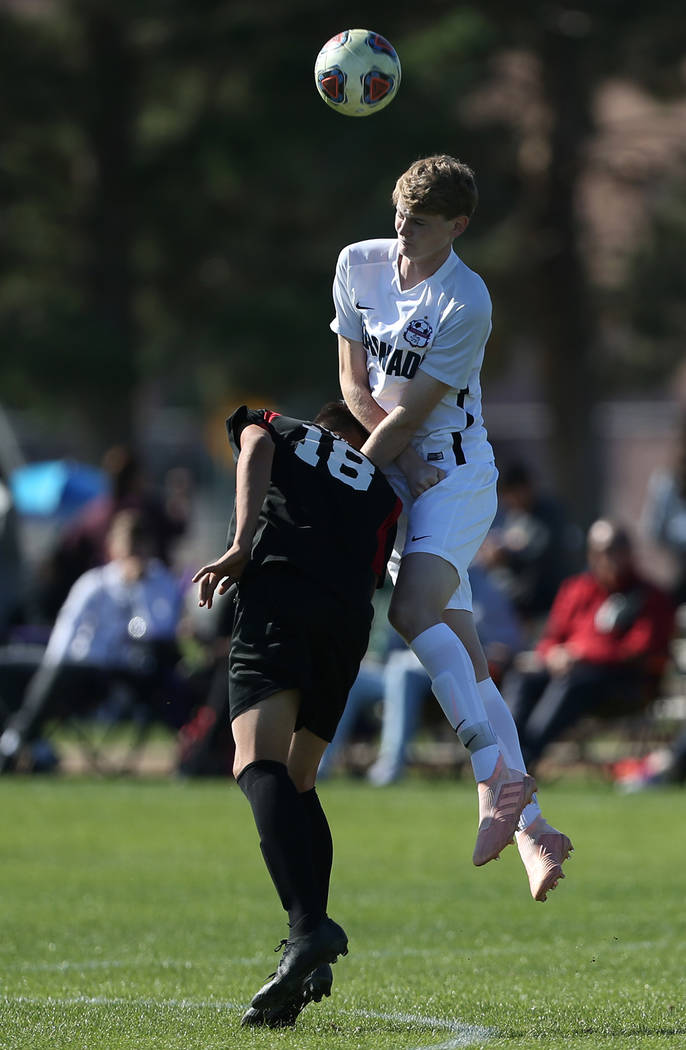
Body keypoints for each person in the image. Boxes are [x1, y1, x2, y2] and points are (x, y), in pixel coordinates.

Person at [331, 152, 572, 900]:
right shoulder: (358, 264)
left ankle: (490, 774)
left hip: (455, 477)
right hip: (407, 469)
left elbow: (412, 413)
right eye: (398, 215)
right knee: (464, 659)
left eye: (421, 224)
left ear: (457, 226)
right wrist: (392, 472)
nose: (402, 233)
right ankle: (530, 824)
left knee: (409, 611)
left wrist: (354, 485)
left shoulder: (467, 300)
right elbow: (354, 384)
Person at [192, 401, 401, 1029]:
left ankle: (309, 929)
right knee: (299, 777)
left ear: (324, 427)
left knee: (255, 762)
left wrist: (237, 544)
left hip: (282, 595)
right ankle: (310, 942)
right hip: (347, 622)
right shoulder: (382, 486)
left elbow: (254, 441)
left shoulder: (289, 429)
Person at [0, 509, 185, 773]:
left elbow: (160, 632)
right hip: (75, 665)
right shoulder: (95, 583)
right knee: (7, 668)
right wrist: (51, 667)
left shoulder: (160, 582)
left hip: (122, 671)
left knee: (60, 674)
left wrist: (137, 589)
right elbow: (67, 629)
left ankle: (15, 742)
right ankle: (29, 741)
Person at [504, 519, 676, 769]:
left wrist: (581, 654)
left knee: (574, 680)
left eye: (619, 550)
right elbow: (551, 638)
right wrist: (554, 655)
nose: (612, 559)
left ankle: (525, 759)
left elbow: (639, 649)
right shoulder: (576, 589)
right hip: (566, 673)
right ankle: (508, 754)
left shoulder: (649, 596)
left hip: (622, 682)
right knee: (523, 677)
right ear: (592, 555)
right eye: (605, 552)